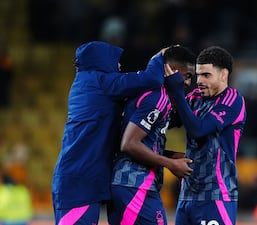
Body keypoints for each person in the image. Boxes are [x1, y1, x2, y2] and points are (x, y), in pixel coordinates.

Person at [52, 41, 168, 225]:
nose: (119, 66)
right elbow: (151, 78)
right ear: (101, 61)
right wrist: (159, 57)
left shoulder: (89, 83)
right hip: (79, 180)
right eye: (115, 61)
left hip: (81, 176)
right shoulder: (99, 81)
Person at [108, 45, 196, 225]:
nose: (188, 83)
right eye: (187, 75)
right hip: (135, 185)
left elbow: (144, 144)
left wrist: (174, 156)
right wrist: (171, 164)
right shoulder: (158, 98)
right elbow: (130, 144)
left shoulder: (153, 95)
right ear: (171, 70)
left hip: (128, 184)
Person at [164, 46, 247, 225]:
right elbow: (167, 122)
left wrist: (177, 92)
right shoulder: (194, 98)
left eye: (206, 75)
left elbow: (198, 130)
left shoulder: (233, 100)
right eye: (198, 75)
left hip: (216, 196)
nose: (199, 80)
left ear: (223, 75)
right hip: (187, 195)